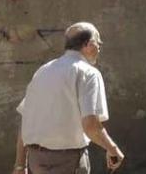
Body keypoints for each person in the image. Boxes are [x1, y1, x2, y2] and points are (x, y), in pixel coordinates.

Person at [12, 22, 124, 174]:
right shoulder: (88, 73)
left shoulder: (43, 71)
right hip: (69, 161)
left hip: (36, 161)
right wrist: (113, 149)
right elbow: (90, 125)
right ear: (89, 45)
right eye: (98, 43)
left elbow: (26, 119)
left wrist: (20, 165)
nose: (99, 48)